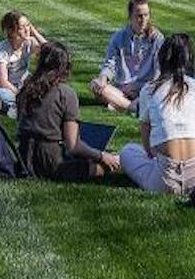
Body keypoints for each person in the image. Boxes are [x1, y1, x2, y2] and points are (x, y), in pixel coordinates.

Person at [120, 34, 195, 194]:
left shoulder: (149, 89)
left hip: (163, 179)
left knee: (127, 151)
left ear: (162, 60)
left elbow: (147, 145)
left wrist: (156, 156)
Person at [15, 40, 121, 180]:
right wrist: (102, 156)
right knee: (113, 163)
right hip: (50, 162)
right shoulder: (65, 94)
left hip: (22, 158)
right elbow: (73, 146)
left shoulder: (25, 89)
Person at [92, 0, 163, 112]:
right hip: (122, 89)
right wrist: (103, 79)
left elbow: (158, 71)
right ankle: (133, 106)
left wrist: (148, 89)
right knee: (95, 84)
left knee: (159, 90)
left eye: (146, 15)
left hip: (145, 90)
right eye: (139, 16)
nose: (143, 20)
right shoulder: (119, 37)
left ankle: (122, 104)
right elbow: (110, 64)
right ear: (130, 16)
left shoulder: (157, 38)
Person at [0, 10, 42, 114]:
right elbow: (2, 81)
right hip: (8, 89)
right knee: (1, 94)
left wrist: (35, 33)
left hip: (25, 85)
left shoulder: (29, 43)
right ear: (11, 31)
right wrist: (19, 94)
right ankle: (14, 105)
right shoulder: (3, 50)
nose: (27, 29)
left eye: (28, 25)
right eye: (22, 27)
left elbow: (50, 52)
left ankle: (17, 106)